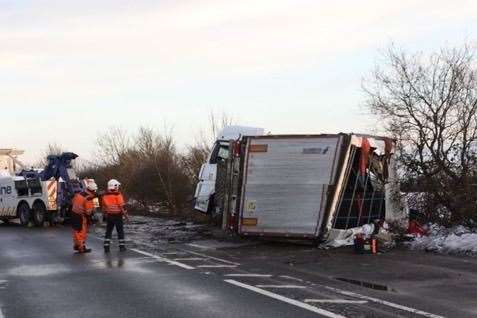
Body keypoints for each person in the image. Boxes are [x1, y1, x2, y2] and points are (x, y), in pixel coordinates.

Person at [71, 181, 98, 253]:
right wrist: (92, 213)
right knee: (82, 232)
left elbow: (73, 201)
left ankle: (76, 245)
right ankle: (81, 247)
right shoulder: (88, 198)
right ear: (94, 190)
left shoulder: (80, 193)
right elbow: (88, 212)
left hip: (74, 213)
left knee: (76, 231)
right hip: (80, 216)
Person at [102, 179, 128, 253]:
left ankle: (106, 247)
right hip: (118, 216)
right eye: (117, 186)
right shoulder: (118, 195)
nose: (118, 187)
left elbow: (103, 207)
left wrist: (104, 215)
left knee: (108, 231)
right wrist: (126, 216)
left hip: (109, 216)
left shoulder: (105, 195)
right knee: (120, 231)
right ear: (115, 186)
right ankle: (122, 247)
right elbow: (122, 206)